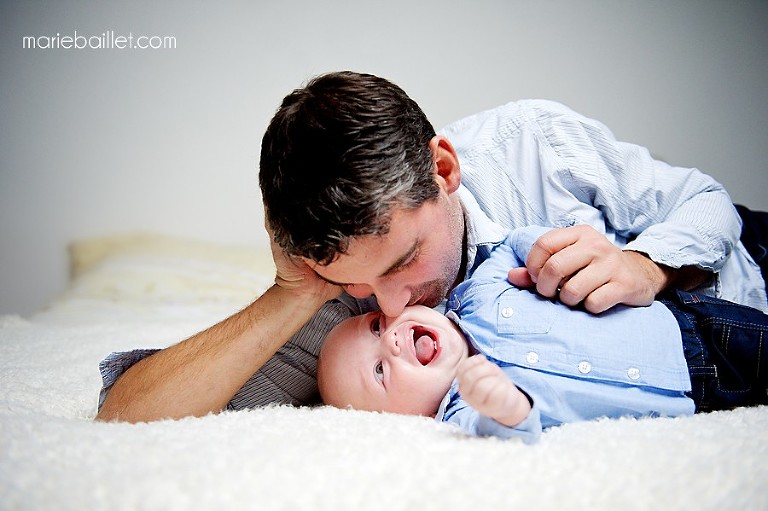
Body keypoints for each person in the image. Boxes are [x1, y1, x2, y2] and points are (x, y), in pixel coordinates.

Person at [95, 71, 767, 423]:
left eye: (400, 261)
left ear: (443, 170)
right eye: (358, 288)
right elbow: (127, 413)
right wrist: (294, 292)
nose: (391, 303)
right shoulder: (340, 306)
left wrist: (646, 264)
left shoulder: (531, 145)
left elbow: (705, 203)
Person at [317, 226, 768, 443]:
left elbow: (515, 243)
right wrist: (502, 404)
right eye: (379, 371)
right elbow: (513, 430)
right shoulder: (461, 413)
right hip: (700, 397)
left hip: (687, 328)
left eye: (375, 326)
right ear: (401, 419)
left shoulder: (477, 293)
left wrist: (546, 250)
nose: (392, 340)